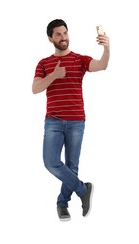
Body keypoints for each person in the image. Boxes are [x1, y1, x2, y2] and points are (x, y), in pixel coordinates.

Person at [32, 19, 110, 221]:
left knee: (72, 166)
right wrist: (54, 76)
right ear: (50, 38)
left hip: (76, 121)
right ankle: (83, 189)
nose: (63, 37)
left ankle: (62, 204)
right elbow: (35, 89)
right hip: (53, 122)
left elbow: (101, 65)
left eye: (65, 33)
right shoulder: (44, 63)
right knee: (51, 162)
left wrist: (107, 48)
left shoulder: (79, 59)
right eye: (58, 34)